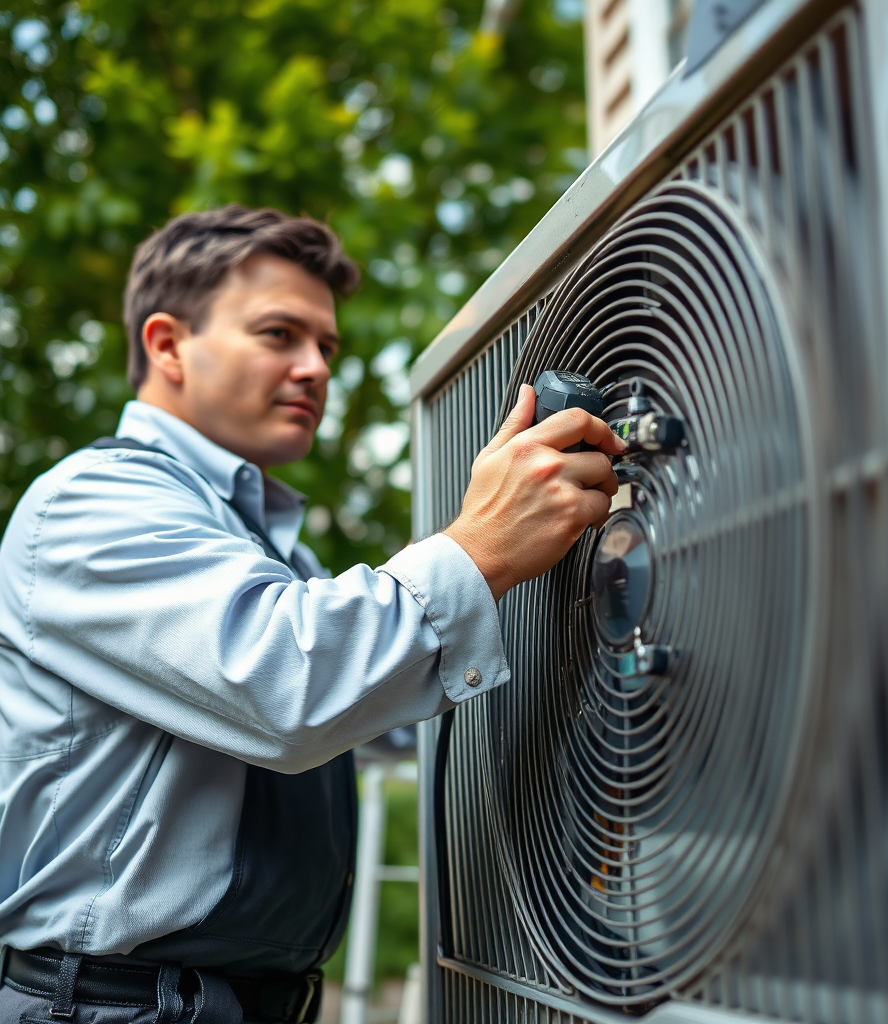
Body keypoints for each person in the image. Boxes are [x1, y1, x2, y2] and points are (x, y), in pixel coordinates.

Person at [0, 205, 621, 1024]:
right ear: (166, 345)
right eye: (278, 334)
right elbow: (288, 684)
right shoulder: (94, 503)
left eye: (325, 346)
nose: (315, 368)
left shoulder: (258, 545)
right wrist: (481, 549)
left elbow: (368, 715)